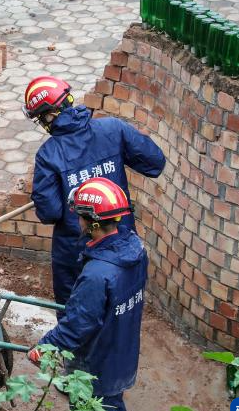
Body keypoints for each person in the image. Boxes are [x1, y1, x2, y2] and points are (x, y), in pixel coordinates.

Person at [24, 76, 165, 306]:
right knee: (120, 312)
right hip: (121, 241)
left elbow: (49, 213)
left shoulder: (49, 154)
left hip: (77, 252)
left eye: (41, 119)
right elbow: (155, 162)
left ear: (49, 116)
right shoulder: (113, 128)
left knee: (76, 314)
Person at [27, 177, 148, 411]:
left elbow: (78, 326)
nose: (78, 221)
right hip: (122, 348)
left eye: (80, 216)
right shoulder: (136, 250)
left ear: (91, 222)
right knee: (112, 410)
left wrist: (45, 346)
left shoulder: (97, 274)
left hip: (95, 361)